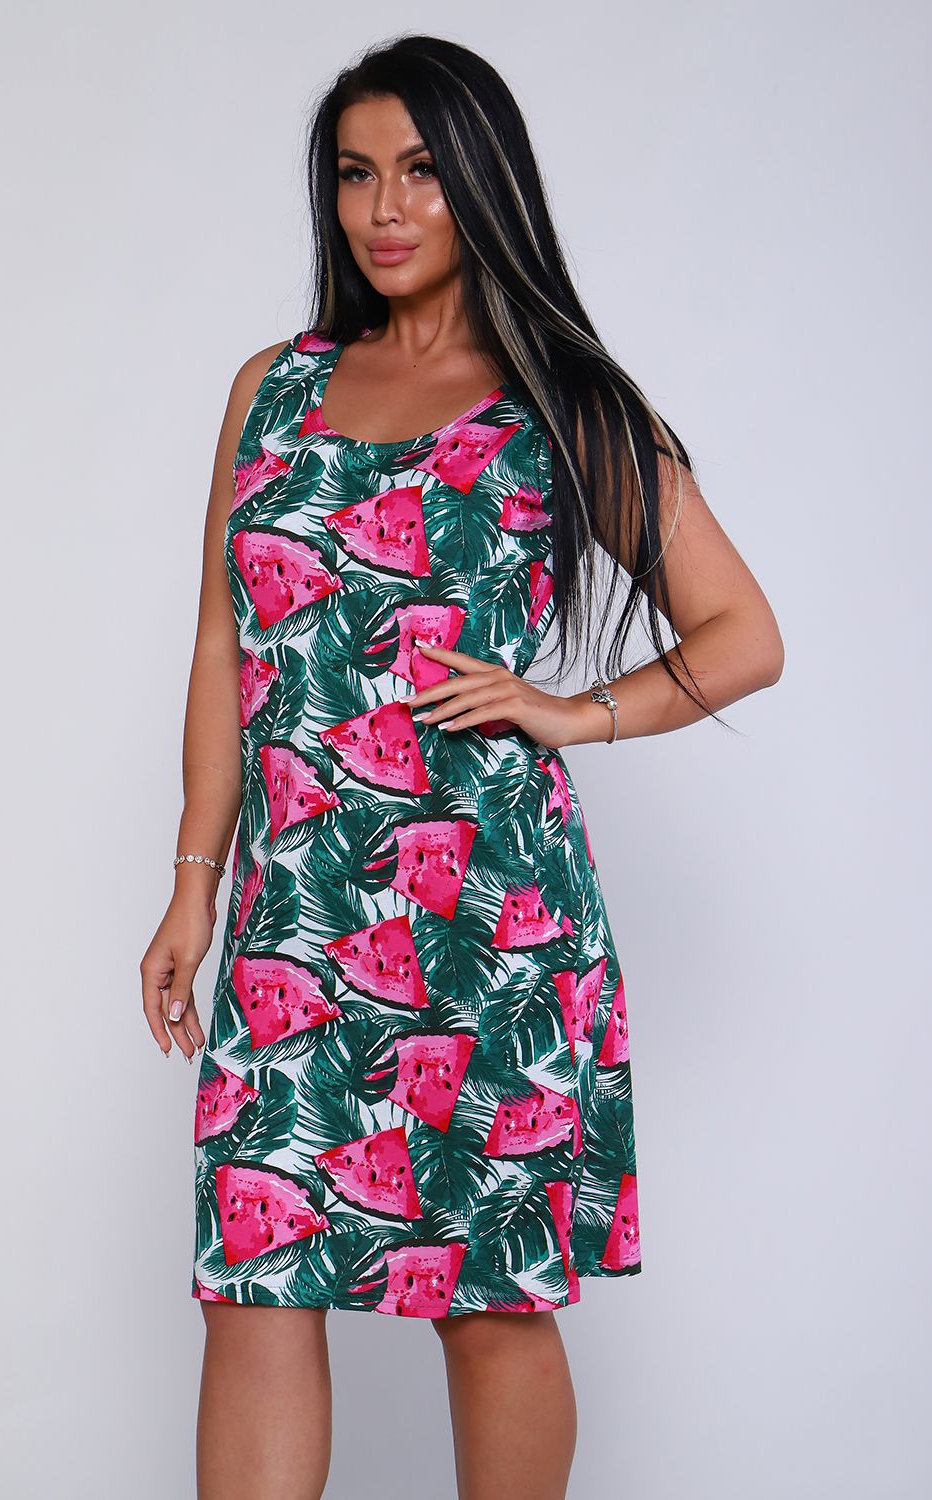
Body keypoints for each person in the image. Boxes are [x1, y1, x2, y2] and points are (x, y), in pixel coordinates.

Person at [139, 32, 784, 1500]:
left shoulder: (561, 398)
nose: (386, 208)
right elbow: (225, 647)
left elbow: (744, 635)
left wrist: (574, 712)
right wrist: (194, 885)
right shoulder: (273, 389)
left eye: (423, 171)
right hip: (299, 904)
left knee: (490, 1298)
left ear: (484, 182)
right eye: (357, 173)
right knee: (251, 1282)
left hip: (492, 911)